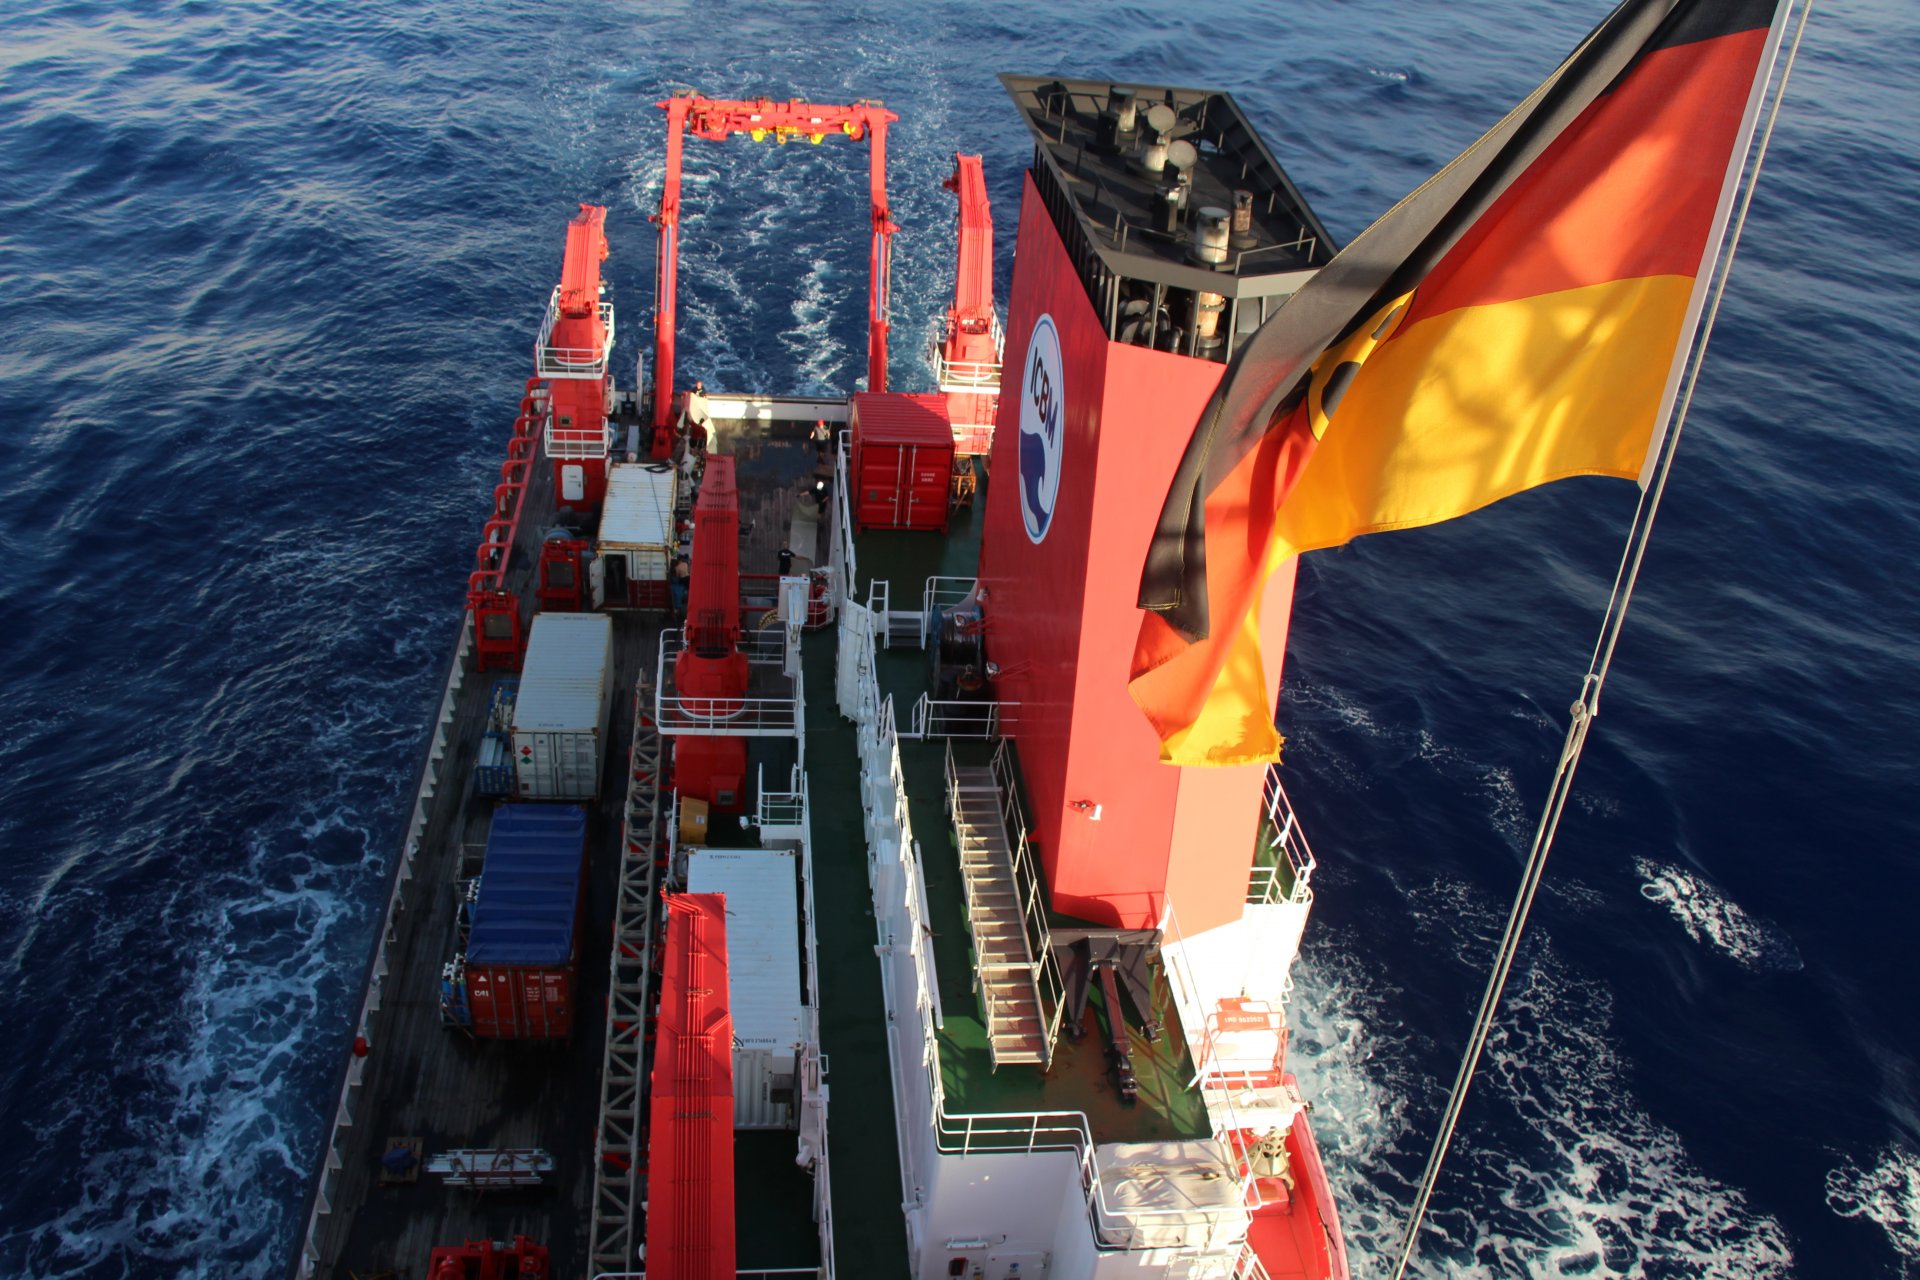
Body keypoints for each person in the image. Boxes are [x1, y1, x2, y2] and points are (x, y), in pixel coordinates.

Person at [683, 381, 713, 454]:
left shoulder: (695, 426)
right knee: (698, 447)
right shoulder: (702, 428)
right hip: (699, 440)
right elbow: (705, 434)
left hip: (695, 439)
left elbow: (690, 422)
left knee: (693, 447)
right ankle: (698, 453)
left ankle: (694, 452)